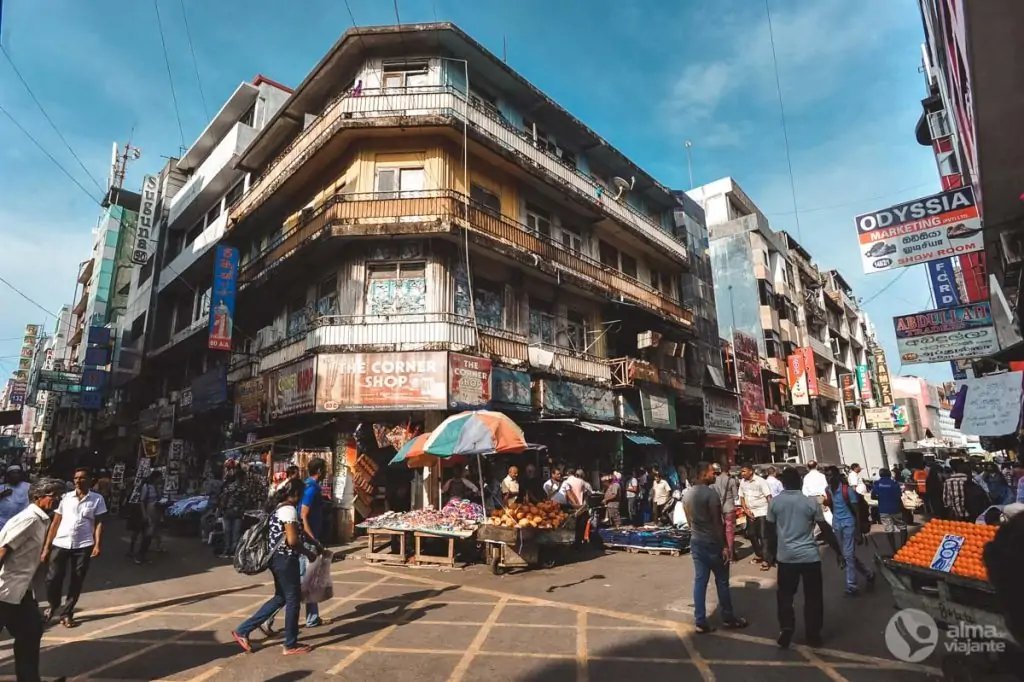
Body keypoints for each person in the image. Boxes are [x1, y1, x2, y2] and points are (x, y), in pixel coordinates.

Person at [232, 479, 321, 656]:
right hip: (286, 560)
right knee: (293, 600)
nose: (301, 498)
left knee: (281, 598)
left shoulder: (280, 508)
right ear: (295, 493)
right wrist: (308, 553)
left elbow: (298, 532)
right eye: (301, 494)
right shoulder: (288, 510)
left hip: (278, 560)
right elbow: (292, 540)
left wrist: (316, 544)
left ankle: (243, 630)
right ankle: (290, 644)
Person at [0, 478, 66, 682]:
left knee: (31, 632)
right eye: (53, 495)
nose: (57, 499)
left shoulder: (41, 519)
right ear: (37, 497)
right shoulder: (28, 519)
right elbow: (2, 550)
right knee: (29, 632)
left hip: (21, 591)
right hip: (4, 591)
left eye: (60, 495)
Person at [682, 462, 748, 634]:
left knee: (700, 581)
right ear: (703, 474)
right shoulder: (711, 494)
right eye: (712, 472)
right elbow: (717, 523)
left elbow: (689, 521)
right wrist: (725, 546)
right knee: (722, 581)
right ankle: (728, 617)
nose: (715, 475)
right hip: (712, 543)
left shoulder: (687, 495)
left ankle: (700, 620)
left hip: (697, 542)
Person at [42, 467, 106, 628]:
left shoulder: (97, 499)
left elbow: (99, 523)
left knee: (77, 580)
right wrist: (46, 547)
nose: (78, 481)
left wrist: (97, 544)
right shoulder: (65, 498)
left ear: (90, 480)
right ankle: (53, 605)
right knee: (53, 578)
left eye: (82, 478)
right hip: (61, 542)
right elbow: (55, 522)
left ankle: (67, 613)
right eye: (76, 478)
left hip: (83, 544)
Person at [768, 467, 823, 649]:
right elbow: (825, 528)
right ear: (800, 482)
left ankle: (786, 627)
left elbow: (770, 531)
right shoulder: (810, 502)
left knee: (785, 595)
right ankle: (813, 635)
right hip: (810, 557)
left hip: (786, 558)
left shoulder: (775, 503)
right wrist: (839, 551)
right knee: (813, 597)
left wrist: (771, 554)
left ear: (783, 483)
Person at [826, 467, 874, 596]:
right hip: (837, 524)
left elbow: (856, 511)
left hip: (849, 524)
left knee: (848, 555)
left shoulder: (847, 490)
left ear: (837, 476)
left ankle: (851, 585)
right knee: (847, 555)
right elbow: (832, 506)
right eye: (827, 475)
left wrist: (858, 530)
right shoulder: (828, 490)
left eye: (830, 475)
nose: (828, 478)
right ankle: (868, 573)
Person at [300, 458, 328, 629]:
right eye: (325, 469)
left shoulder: (308, 486)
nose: (326, 472)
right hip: (307, 542)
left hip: (307, 540)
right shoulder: (311, 488)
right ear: (319, 471)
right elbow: (303, 515)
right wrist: (314, 540)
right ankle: (268, 617)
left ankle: (312, 618)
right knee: (302, 583)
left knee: (309, 582)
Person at [739, 465, 773, 570]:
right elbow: (742, 497)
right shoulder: (742, 482)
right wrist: (746, 510)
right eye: (742, 471)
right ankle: (759, 554)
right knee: (751, 534)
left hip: (762, 511)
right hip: (750, 512)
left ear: (751, 471)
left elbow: (768, 497)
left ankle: (766, 560)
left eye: (744, 471)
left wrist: (772, 512)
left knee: (763, 536)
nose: (742, 473)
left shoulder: (761, 481)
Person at [871, 468, 906, 555]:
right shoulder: (894, 483)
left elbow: (873, 496)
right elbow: (899, 495)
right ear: (889, 474)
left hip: (884, 510)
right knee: (902, 527)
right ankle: (903, 546)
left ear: (880, 475)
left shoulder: (877, 483)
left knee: (889, 530)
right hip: (896, 508)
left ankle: (894, 550)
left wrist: (881, 498)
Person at [712, 463, 739, 562]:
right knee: (730, 532)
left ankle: (723, 554)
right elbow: (736, 496)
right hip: (729, 508)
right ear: (728, 470)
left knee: (721, 531)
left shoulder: (714, 480)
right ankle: (731, 556)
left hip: (718, 509)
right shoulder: (731, 480)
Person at [219, 468, 248, 559]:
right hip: (238, 513)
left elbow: (224, 499)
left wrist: (221, 509)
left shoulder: (230, 487)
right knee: (236, 533)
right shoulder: (244, 488)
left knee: (227, 532)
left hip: (228, 512)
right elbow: (246, 501)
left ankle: (227, 550)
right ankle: (234, 551)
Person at [136, 471, 163, 564]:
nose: (161, 480)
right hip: (149, 511)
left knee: (152, 533)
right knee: (148, 534)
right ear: (155, 478)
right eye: (160, 478)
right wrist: (144, 514)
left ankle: (143, 555)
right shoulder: (146, 487)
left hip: (156, 511)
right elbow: (142, 501)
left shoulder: (157, 487)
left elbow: (159, 498)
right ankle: (140, 555)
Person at [0, 465, 31, 530]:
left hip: (20, 522)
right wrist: (2, 495)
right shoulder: (2, 487)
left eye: (17, 473)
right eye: (13, 473)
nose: (15, 475)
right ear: (8, 475)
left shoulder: (28, 486)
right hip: (3, 522)